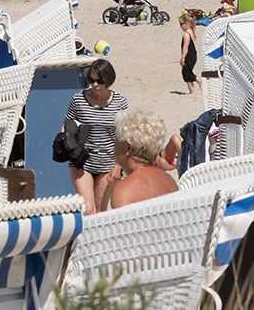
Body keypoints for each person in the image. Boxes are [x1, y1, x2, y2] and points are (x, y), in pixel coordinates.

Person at [62, 58, 129, 214]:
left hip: (107, 163)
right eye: (91, 80)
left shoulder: (120, 102)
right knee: (88, 209)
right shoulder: (78, 99)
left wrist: (118, 166)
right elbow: (65, 125)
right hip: (81, 162)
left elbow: (124, 137)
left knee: (100, 212)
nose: (95, 84)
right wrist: (68, 139)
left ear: (109, 80)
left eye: (99, 81)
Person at [103, 110, 179, 209]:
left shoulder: (124, 188)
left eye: (116, 140)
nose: (114, 146)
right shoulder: (169, 181)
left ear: (128, 148)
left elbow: (124, 219)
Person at [179, 14, 201, 95]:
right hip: (193, 54)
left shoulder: (186, 34)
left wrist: (183, 58)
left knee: (186, 72)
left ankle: (196, 83)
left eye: (181, 24)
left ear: (186, 23)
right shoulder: (191, 32)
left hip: (189, 55)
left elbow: (185, 47)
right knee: (187, 71)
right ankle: (192, 90)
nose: (180, 26)